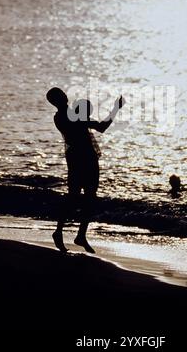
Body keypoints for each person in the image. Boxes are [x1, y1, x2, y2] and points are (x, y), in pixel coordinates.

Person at [46, 87, 125, 253]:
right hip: (84, 159)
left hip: (78, 158)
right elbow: (102, 127)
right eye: (60, 96)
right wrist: (116, 109)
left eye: (63, 93)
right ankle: (62, 232)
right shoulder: (69, 116)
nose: (64, 96)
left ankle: (76, 234)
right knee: (78, 197)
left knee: (82, 197)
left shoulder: (65, 116)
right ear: (56, 101)